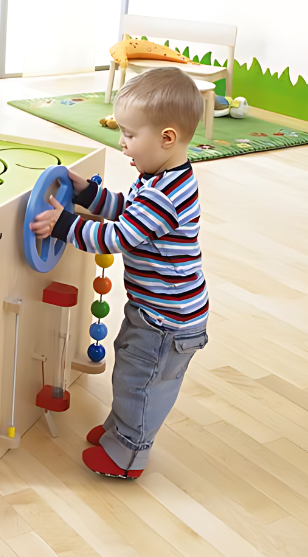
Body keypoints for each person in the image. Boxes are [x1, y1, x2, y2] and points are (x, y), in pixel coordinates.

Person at [30, 67, 209, 479]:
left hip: (166, 321)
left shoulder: (165, 195)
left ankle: (127, 454)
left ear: (166, 138)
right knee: (131, 373)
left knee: (140, 383)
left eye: (130, 134)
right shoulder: (160, 178)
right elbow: (128, 210)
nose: (122, 142)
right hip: (155, 309)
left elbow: (119, 236)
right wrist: (90, 195)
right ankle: (121, 431)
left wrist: (64, 225)